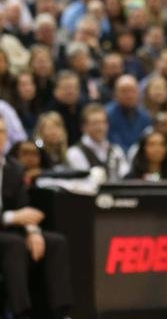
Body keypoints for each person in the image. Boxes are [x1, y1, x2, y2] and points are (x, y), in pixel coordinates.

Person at [0, 116, 74, 319]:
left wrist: (33, 232)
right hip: (7, 231)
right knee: (14, 243)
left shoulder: (14, 168)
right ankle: (21, 313)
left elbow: (24, 205)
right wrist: (10, 217)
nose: (0, 136)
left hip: (12, 230)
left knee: (55, 242)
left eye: (3, 131)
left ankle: (61, 312)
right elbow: (17, 214)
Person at [65, 103, 128, 182]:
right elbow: (83, 182)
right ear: (84, 127)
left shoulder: (116, 151)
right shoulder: (74, 153)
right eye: (95, 123)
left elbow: (125, 177)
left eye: (103, 122)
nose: (100, 127)